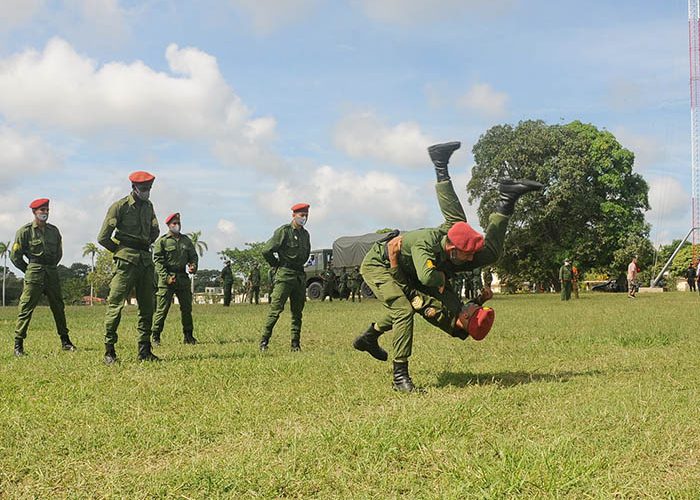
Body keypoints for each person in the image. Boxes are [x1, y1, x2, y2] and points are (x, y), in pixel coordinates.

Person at [353, 141, 542, 391]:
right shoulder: (431, 243)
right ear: (452, 247)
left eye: (471, 311)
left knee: (405, 306)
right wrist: (469, 296)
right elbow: (430, 276)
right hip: (381, 264)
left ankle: (386, 360)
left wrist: (440, 280)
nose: (470, 260)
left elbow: (424, 281)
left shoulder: (437, 252)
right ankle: (399, 376)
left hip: (398, 264)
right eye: (467, 255)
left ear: (464, 317)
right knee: (405, 307)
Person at [97, 171, 160, 364]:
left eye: (148, 189)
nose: (146, 192)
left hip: (145, 261)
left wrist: (146, 242)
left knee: (148, 307)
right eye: (143, 189)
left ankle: (144, 349)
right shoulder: (119, 207)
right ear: (134, 188)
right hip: (125, 262)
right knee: (115, 305)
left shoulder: (149, 206)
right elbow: (103, 237)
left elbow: (155, 230)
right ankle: (109, 351)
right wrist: (120, 250)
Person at [10, 198, 75, 356]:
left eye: (47, 210)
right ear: (34, 212)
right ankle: (18, 344)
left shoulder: (54, 231)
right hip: (34, 271)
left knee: (58, 307)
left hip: (51, 272)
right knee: (26, 308)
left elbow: (59, 253)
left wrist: (50, 265)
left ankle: (65, 341)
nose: (45, 213)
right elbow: (15, 255)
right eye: (41, 210)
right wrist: (29, 269)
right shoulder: (24, 231)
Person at [260, 203, 311, 352]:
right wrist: (276, 264)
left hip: (299, 276)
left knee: (297, 312)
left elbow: (306, 253)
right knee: (276, 309)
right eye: (301, 215)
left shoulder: (305, 234)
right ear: (293, 215)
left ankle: (295, 344)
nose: (304, 218)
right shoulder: (284, 231)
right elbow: (266, 250)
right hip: (285, 274)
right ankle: (264, 340)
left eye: (306, 215)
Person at [151, 213, 198, 345]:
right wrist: (166, 277)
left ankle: (188, 336)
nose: (177, 225)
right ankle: (155, 336)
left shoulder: (186, 240)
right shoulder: (163, 241)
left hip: (182, 278)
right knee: (162, 309)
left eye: (178, 223)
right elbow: (158, 261)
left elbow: (193, 256)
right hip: (167, 278)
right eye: (174, 223)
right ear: (168, 225)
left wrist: (193, 266)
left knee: (187, 309)